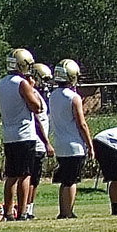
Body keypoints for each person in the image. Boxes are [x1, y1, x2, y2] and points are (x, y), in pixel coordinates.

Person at [0, 48, 48, 220]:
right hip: (24, 134)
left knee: (11, 176)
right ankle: (23, 210)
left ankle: (8, 211)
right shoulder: (21, 83)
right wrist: (32, 90)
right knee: (25, 174)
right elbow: (36, 106)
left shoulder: (2, 83)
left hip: (8, 134)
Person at [48, 60, 94, 218]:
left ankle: (63, 210)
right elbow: (81, 123)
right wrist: (90, 144)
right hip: (73, 144)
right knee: (71, 181)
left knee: (65, 180)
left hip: (60, 143)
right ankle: (67, 212)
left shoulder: (53, 95)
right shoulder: (74, 97)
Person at [24, 63, 55, 219]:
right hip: (35, 142)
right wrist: (46, 142)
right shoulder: (32, 93)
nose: (45, 83)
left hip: (38, 143)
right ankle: (26, 209)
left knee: (35, 179)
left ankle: (29, 208)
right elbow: (36, 122)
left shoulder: (38, 93)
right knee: (31, 178)